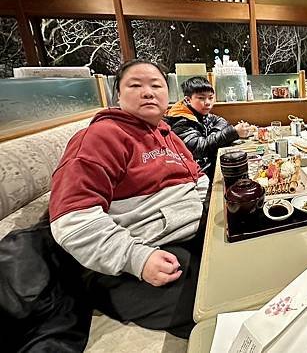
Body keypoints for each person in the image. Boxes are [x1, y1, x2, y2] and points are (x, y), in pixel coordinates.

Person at [49, 59, 209, 338]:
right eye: (135, 86)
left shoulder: (168, 134)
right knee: (212, 304)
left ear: (167, 95)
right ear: (118, 96)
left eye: (156, 85)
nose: (147, 92)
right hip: (139, 258)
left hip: (191, 236)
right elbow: (72, 220)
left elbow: (198, 180)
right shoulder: (99, 137)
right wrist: (137, 258)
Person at [165, 76, 251, 180]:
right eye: (201, 98)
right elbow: (199, 149)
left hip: (209, 166)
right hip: (196, 175)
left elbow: (221, 121)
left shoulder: (199, 113)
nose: (207, 102)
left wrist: (213, 135)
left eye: (210, 98)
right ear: (188, 99)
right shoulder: (180, 119)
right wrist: (234, 132)